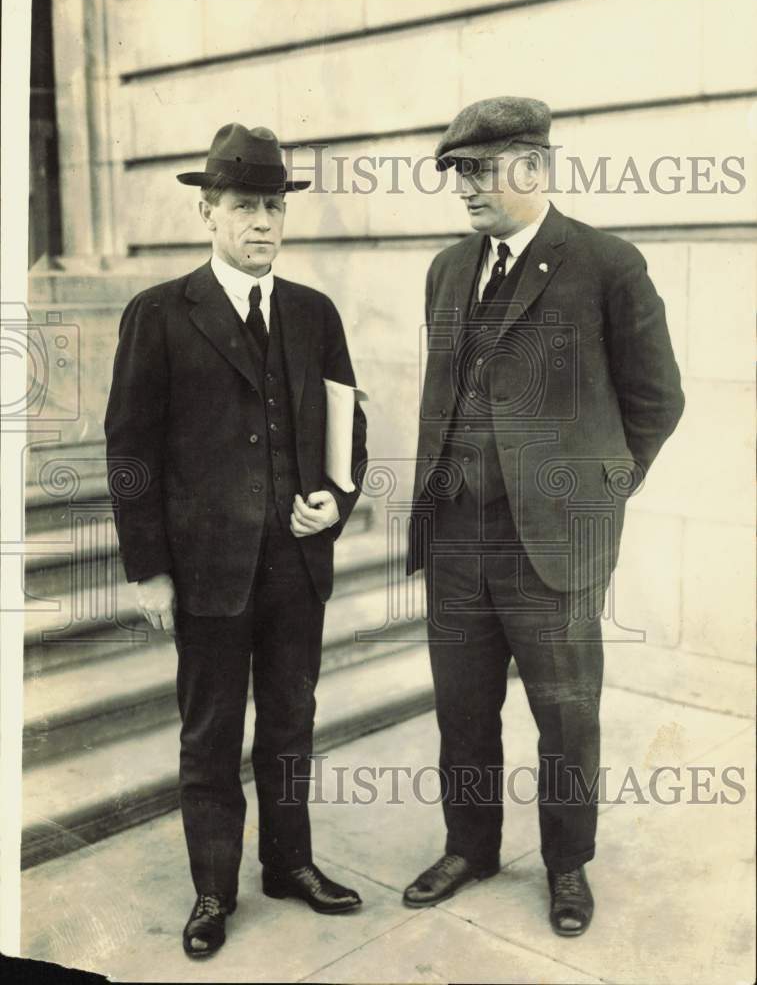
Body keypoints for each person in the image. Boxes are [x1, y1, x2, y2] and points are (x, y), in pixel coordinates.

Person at [404, 97, 684, 935]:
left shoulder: (604, 263)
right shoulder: (448, 270)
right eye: (456, 172)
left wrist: (591, 497)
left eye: (479, 171)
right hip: (456, 536)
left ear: (533, 166)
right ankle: (470, 845)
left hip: (551, 546)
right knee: (461, 707)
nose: (464, 189)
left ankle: (566, 866)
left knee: (564, 715)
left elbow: (656, 399)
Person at [105, 123, 367, 959]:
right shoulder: (159, 313)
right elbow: (131, 451)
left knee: (290, 722)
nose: (263, 222)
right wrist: (148, 570)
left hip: (295, 568)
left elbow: (345, 426)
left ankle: (289, 865)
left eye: (273, 207)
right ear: (207, 213)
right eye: (244, 206)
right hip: (208, 571)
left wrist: (334, 499)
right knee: (211, 734)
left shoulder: (312, 313)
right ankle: (213, 891)